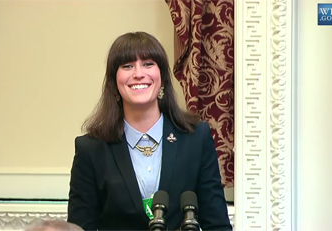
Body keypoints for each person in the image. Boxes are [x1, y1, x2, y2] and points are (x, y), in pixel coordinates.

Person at [67, 31, 233, 231]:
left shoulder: (196, 138)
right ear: (115, 81)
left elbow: (217, 224)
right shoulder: (91, 149)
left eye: (148, 64)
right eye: (127, 66)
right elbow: (79, 227)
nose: (138, 73)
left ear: (162, 76)